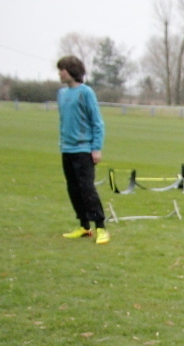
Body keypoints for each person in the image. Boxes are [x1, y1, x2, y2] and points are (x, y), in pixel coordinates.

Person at [56, 56, 108, 245]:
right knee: (74, 189)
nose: (60, 73)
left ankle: (101, 227)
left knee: (87, 189)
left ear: (72, 71)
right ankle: (84, 226)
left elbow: (97, 122)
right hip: (67, 150)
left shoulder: (86, 93)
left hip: (83, 150)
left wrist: (96, 148)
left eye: (63, 69)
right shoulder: (61, 94)